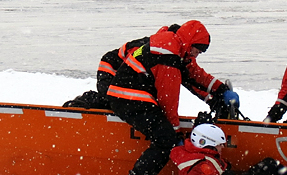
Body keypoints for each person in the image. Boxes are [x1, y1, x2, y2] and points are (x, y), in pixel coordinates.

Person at [110, 20, 239, 175]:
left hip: (134, 95)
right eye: (197, 50)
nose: (197, 54)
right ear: (190, 43)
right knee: (165, 139)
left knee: (166, 136)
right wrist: (176, 133)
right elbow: (168, 100)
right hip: (128, 97)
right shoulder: (168, 53)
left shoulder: (177, 47)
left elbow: (195, 73)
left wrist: (220, 89)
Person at [64, 24, 234, 115]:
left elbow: (193, 76)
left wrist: (218, 92)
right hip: (111, 70)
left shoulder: (178, 55)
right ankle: (86, 104)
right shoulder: (156, 52)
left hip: (129, 76)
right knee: (117, 103)